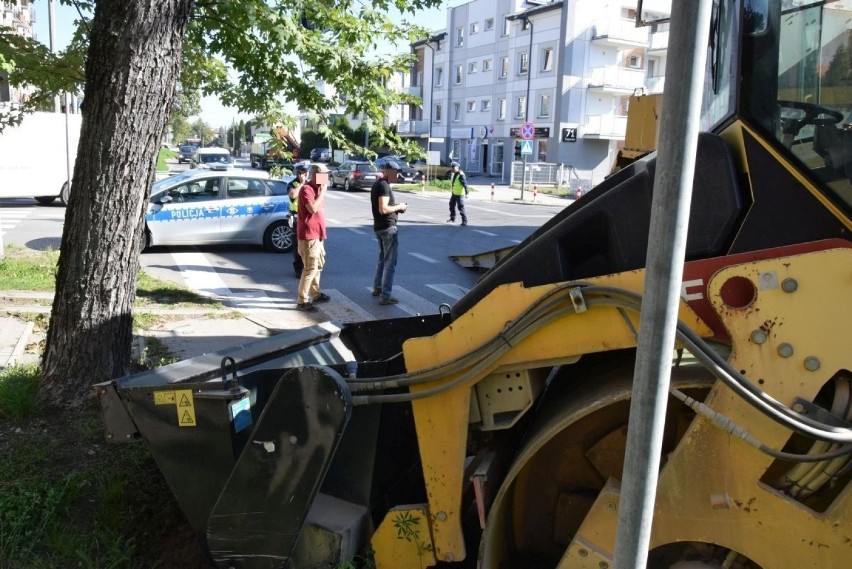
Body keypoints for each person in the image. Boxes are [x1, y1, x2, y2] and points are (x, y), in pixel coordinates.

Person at [370, 160, 408, 305]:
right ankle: (385, 296)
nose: (396, 175)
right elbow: (384, 209)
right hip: (387, 228)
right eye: (394, 173)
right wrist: (399, 206)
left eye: (397, 173)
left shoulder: (379, 184)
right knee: (390, 263)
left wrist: (397, 208)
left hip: (379, 227)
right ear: (386, 171)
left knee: (382, 259)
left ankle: (377, 288)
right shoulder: (384, 186)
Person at [295, 164, 330, 312]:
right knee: (310, 268)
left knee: (319, 265)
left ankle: (315, 294)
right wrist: (323, 191)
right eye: (323, 174)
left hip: (318, 235)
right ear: (315, 174)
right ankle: (302, 301)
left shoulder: (317, 188)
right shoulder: (307, 189)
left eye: (327, 175)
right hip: (309, 236)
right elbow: (313, 209)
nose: (326, 178)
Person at [287, 163, 309, 276]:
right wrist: (302, 184)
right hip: (296, 218)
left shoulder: (310, 184)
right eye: (301, 173)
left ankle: (309, 267)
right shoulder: (292, 184)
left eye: (305, 173)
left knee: (309, 243)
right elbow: (293, 195)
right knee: (297, 244)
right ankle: (299, 269)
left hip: (308, 217)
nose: (303, 175)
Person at [447, 161, 469, 226]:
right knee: (451, 205)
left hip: (460, 194)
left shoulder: (461, 175)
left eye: (453, 167)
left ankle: (464, 221)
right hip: (454, 193)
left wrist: (467, 193)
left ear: (457, 167)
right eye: (451, 167)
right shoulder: (455, 174)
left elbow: (465, 184)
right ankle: (452, 218)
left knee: (460, 208)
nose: (452, 169)